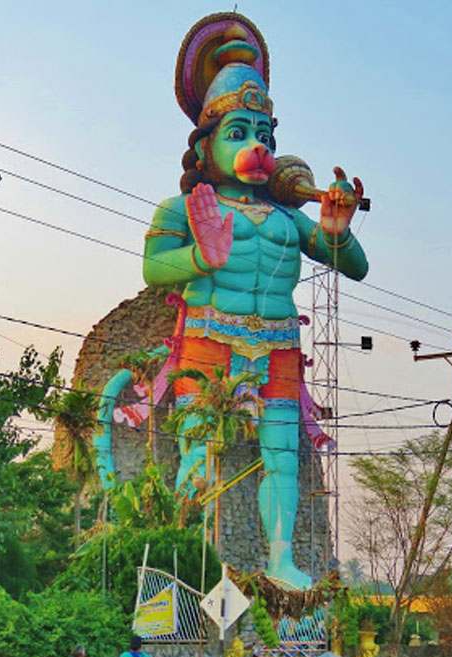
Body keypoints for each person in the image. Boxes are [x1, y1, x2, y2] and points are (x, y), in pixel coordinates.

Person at [142, 14, 369, 590]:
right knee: (197, 448)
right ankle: (189, 558)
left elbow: (356, 266)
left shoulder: (288, 217)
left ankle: (281, 559)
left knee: (282, 455)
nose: (257, 148)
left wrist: (336, 229)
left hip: (278, 344)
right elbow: (153, 269)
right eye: (239, 133)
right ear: (206, 145)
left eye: (265, 136)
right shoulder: (183, 209)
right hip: (208, 335)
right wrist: (202, 257)